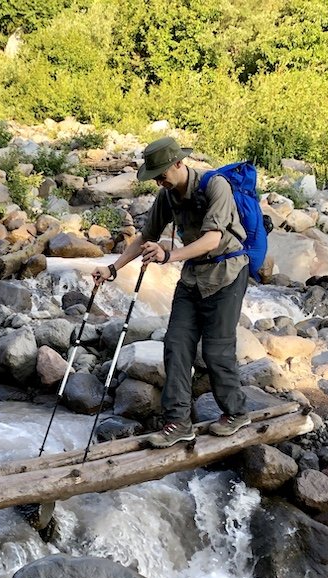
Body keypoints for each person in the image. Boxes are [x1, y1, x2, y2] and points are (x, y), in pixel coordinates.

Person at [92, 137, 251, 448]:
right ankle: (178, 422)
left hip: (227, 274)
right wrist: (114, 268)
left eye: (162, 174)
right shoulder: (166, 196)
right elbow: (145, 237)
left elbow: (212, 241)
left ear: (179, 164)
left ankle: (236, 412)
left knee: (217, 351)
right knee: (176, 345)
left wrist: (168, 256)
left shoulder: (215, 186)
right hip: (193, 277)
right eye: (155, 177)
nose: (159, 182)